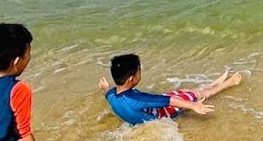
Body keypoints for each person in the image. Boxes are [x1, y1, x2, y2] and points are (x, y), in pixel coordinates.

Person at [100, 53, 242, 125]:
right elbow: (168, 101)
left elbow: (108, 93)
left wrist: (106, 88)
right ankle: (228, 84)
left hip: (149, 108)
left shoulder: (112, 94)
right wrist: (193, 106)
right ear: (131, 79)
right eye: (139, 71)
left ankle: (212, 83)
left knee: (186, 91)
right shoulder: (138, 99)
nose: (140, 73)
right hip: (162, 113)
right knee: (198, 94)